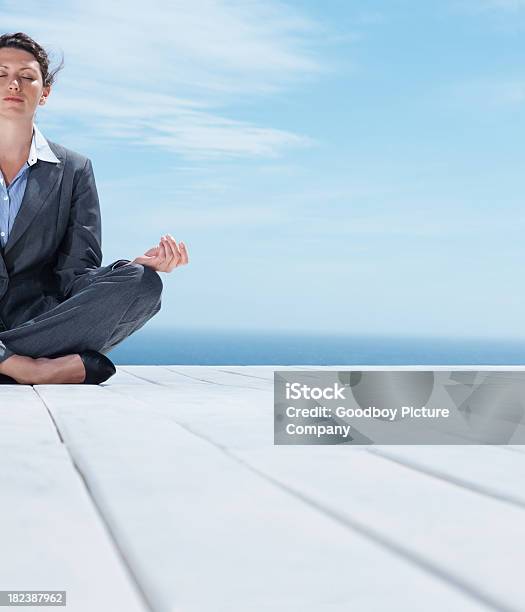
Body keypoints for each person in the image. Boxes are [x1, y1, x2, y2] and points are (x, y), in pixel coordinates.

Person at [0, 32, 189, 385]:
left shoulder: (74, 170)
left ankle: (10, 362)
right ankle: (30, 367)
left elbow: (75, 275)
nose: (13, 84)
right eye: (1, 74)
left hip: (38, 324)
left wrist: (130, 266)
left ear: (44, 93)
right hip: (48, 346)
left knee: (143, 284)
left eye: (26, 77)